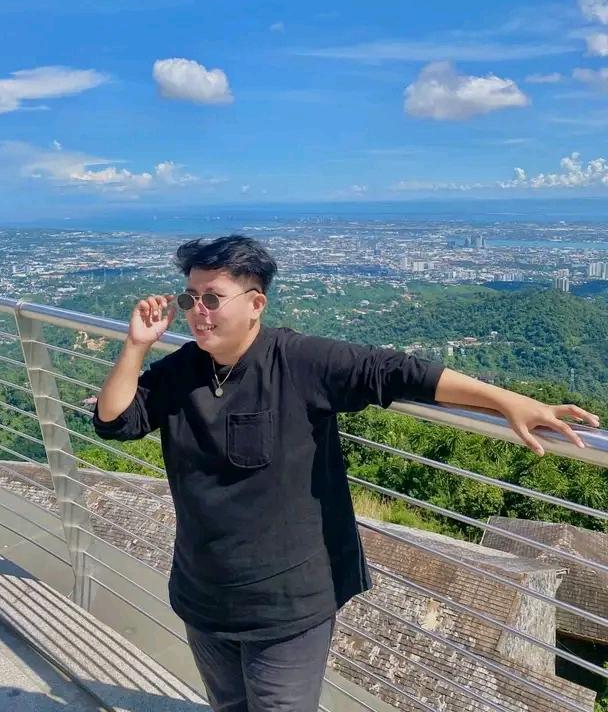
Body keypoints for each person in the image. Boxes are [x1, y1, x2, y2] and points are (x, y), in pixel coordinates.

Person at [93, 234, 600, 712]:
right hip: (203, 593)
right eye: (190, 298)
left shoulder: (298, 361)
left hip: (287, 603)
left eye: (212, 298)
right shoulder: (181, 370)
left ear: (256, 304)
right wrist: (136, 345)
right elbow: (115, 422)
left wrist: (507, 401)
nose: (197, 311)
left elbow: (395, 372)